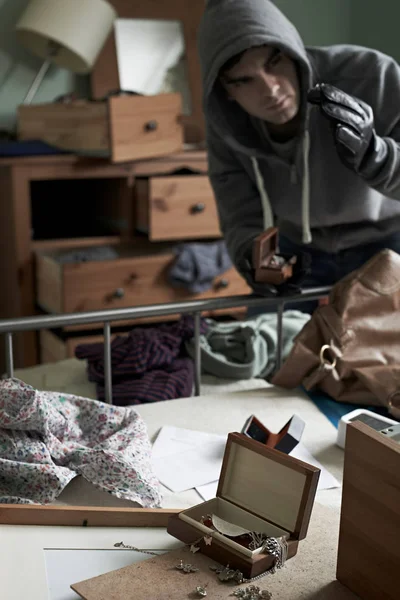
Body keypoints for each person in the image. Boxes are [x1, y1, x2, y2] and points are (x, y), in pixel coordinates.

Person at [197, 0, 400, 311]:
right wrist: (255, 259)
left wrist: (376, 155)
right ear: (226, 91)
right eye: (244, 80)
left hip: (388, 241)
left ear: (293, 52)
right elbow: (239, 212)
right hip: (297, 251)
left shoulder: (372, 75)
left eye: (274, 62)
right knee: (268, 348)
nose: (271, 90)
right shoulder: (226, 123)